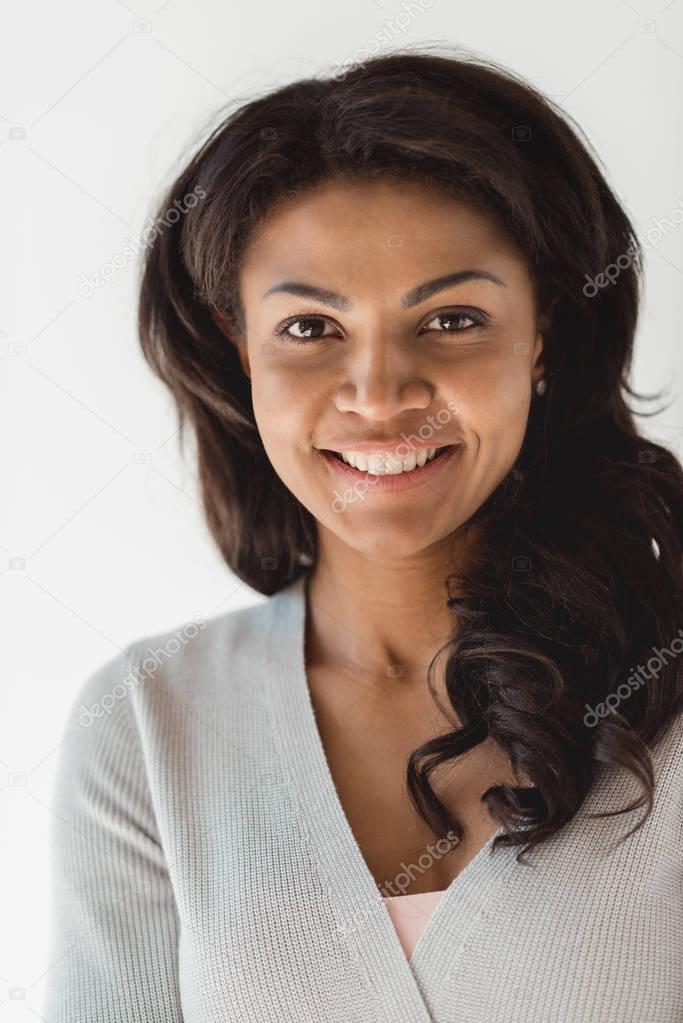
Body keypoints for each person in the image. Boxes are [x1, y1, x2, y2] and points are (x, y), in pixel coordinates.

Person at [43, 45, 683, 1023]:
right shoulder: (145, 725)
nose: (379, 396)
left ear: (544, 331)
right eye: (310, 329)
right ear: (235, 344)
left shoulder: (663, 700)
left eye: (451, 318)